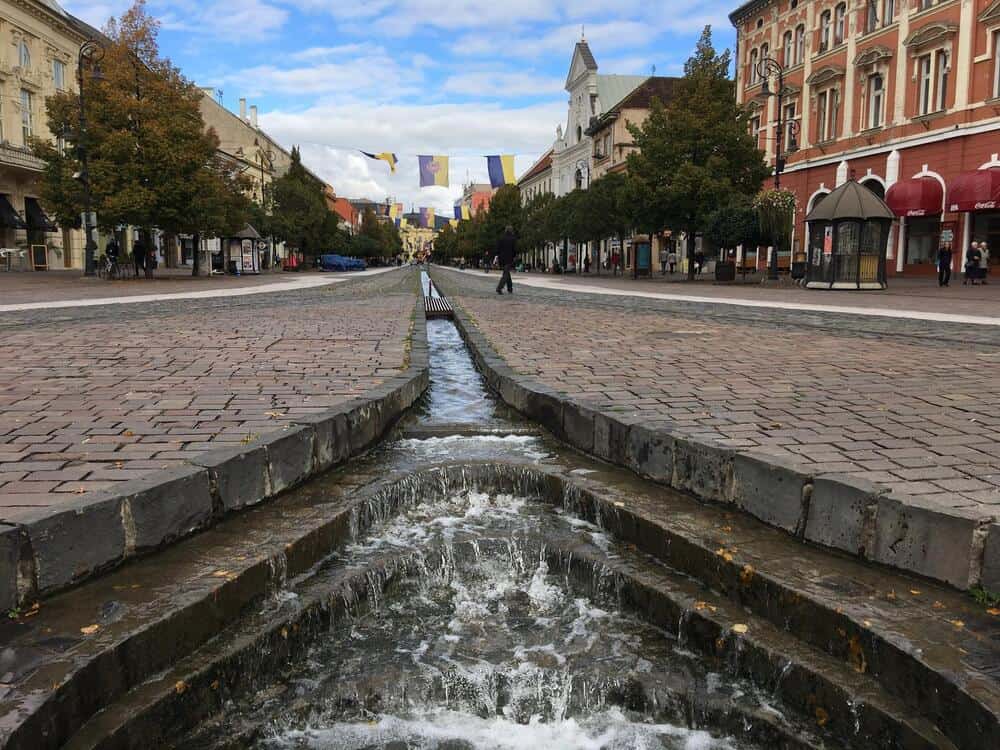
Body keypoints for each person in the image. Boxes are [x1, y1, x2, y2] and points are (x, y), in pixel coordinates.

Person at [495, 225, 517, 295]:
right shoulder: (513, 239)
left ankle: (510, 288)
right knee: (506, 274)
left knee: (506, 273)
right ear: (511, 231)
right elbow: (514, 250)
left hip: (502, 258)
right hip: (509, 258)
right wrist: (514, 257)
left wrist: (498, 256)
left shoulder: (501, 238)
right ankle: (499, 288)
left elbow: (498, 248)